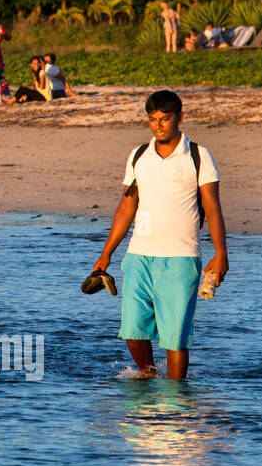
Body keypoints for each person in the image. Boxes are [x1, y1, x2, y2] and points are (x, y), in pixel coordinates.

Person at [89, 90, 227, 380]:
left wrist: (221, 254)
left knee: (175, 336)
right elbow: (127, 207)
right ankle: (147, 377)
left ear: (179, 118)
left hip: (181, 257)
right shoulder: (139, 156)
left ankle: (176, 400)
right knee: (132, 328)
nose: (159, 125)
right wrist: (106, 254)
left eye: (165, 119)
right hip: (138, 256)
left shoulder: (199, 156)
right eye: (153, 120)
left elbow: (212, 209)